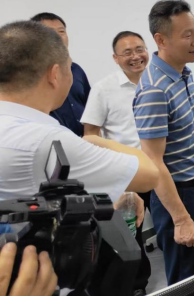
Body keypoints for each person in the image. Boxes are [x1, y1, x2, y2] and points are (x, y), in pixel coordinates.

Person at [0, 20, 158, 204]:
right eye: (69, 67)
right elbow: (150, 175)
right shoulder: (49, 142)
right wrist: (98, 141)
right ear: (54, 75)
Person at [133, 0, 194, 286]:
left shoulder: (183, 73)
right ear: (161, 40)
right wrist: (181, 219)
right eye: (188, 35)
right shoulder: (154, 90)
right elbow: (153, 162)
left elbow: (192, 132)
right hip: (181, 197)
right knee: (189, 284)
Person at [81, 31, 151, 296]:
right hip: (127, 171)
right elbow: (90, 134)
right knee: (132, 231)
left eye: (140, 49)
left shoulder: (157, 80)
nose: (136, 56)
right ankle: (137, 282)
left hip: (162, 166)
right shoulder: (103, 89)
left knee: (173, 221)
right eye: (127, 52)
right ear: (115, 58)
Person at [31, 13, 91, 137]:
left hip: (83, 141)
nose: (58, 36)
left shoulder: (76, 70)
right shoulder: (28, 72)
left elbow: (90, 107)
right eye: (51, 32)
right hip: (50, 140)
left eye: (61, 31)